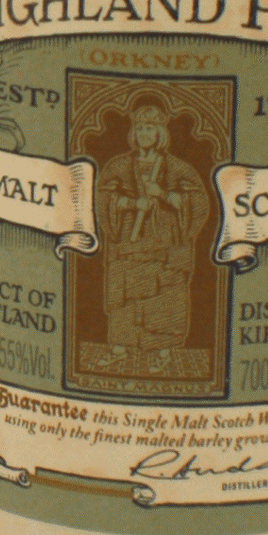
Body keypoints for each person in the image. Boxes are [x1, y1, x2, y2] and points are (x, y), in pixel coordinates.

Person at [98, 104, 207, 363]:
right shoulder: (119, 165)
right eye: (140, 129)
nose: (144, 134)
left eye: (150, 129)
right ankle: (120, 349)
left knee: (164, 294)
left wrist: (164, 194)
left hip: (163, 244)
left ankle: (163, 351)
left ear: (160, 133)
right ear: (133, 133)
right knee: (124, 293)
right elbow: (102, 199)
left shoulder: (178, 167)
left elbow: (198, 203)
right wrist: (133, 203)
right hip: (129, 242)